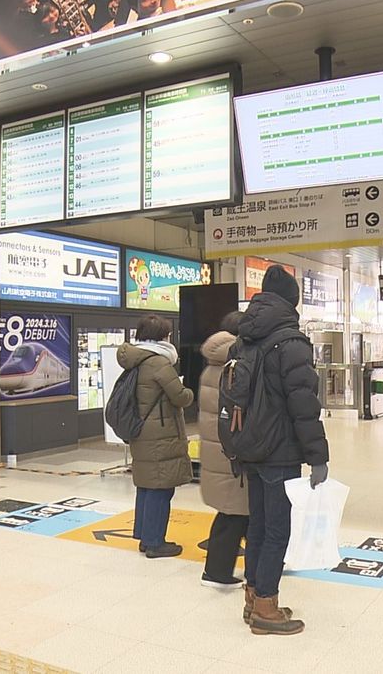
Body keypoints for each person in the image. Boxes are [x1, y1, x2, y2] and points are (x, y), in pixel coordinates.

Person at [237, 265, 329, 636]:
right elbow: (303, 405)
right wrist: (318, 456)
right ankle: (266, 609)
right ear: (292, 301)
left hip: (250, 446)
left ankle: (253, 596)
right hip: (279, 450)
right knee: (277, 530)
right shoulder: (291, 343)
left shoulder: (244, 338)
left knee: (257, 525)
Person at [116, 314, 194, 559]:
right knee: (161, 488)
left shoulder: (135, 360)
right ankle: (155, 542)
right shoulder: (159, 363)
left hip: (139, 432)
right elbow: (180, 396)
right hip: (160, 434)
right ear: (162, 337)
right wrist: (189, 391)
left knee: (147, 485)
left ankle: (144, 537)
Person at [199, 311, 248, 589]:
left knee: (238, 512)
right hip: (231, 452)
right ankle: (216, 573)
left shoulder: (212, 364)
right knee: (233, 514)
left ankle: (259, 562)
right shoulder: (235, 368)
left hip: (216, 449)